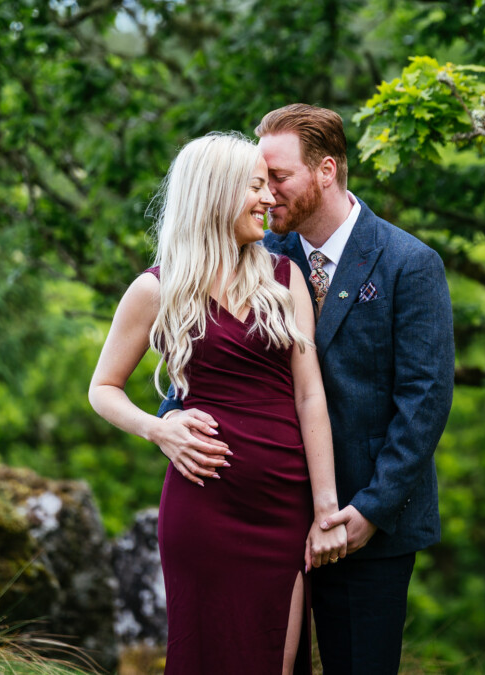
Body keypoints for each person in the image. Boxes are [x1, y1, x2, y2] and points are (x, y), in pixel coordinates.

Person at [158, 104, 455, 675]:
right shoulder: (257, 258)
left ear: (326, 170)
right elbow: (207, 361)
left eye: (278, 177)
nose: (265, 194)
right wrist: (169, 423)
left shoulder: (409, 264)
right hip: (265, 516)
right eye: (257, 180)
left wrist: (369, 510)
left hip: (369, 524)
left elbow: (425, 401)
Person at [88, 132, 348, 675]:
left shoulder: (284, 278)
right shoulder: (157, 289)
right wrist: (158, 429)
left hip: (284, 506)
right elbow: (103, 388)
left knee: (274, 659)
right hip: (204, 506)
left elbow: (310, 394)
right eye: (255, 186)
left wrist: (325, 508)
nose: (268, 199)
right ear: (215, 194)